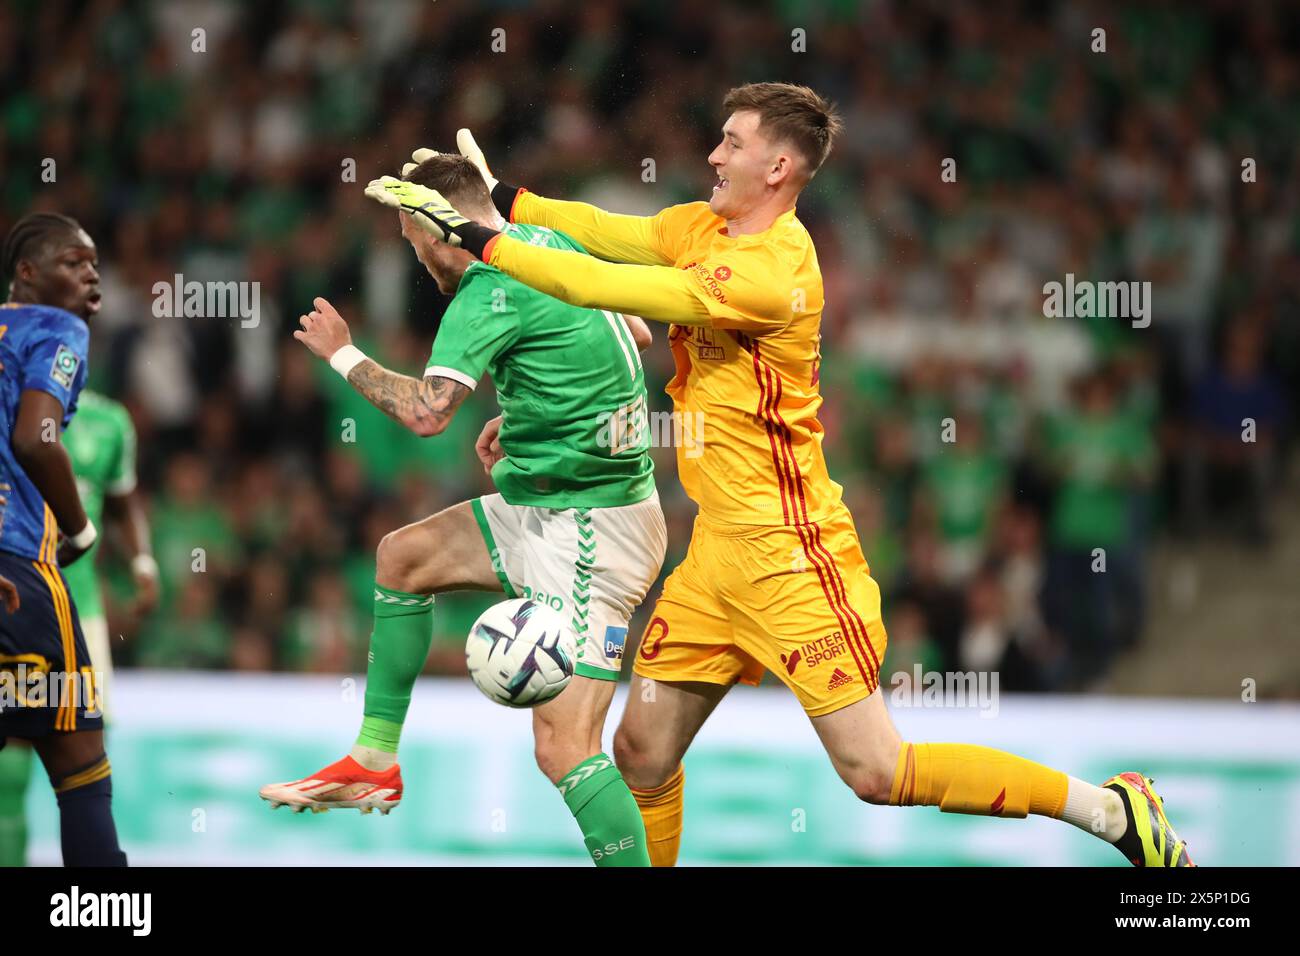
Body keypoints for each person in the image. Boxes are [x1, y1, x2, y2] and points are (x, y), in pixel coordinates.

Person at [369, 82, 1193, 867]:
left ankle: (1113, 810)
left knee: (877, 771)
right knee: (642, 753)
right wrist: (503, 196)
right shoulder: (705, 228)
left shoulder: (771, 276)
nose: (712, 153)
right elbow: (599, 231)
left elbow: (596, 281)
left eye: (731, 142)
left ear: (779, 168)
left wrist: (475, 236)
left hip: (790, 555)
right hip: (715, 560)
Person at [261, 154, 667, 867]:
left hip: (590, 531)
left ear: (435, 227)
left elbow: (426, 413)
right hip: (552, 505)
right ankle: (375, 760)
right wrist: (534, 417)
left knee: (564, 749)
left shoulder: (486, 285)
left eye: (412, 243)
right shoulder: (550, 247)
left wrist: (343, 355)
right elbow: (633, 334)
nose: (418, 261)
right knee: (403, 557)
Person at [0, 212, 127, 866]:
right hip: (21, 569)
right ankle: (103, 912)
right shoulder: (57, 329)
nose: (90, 272)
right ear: (26, 274)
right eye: (73, 261)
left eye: (95, 261)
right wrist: (79, 527)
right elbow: (35, 436)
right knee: (81, 766)